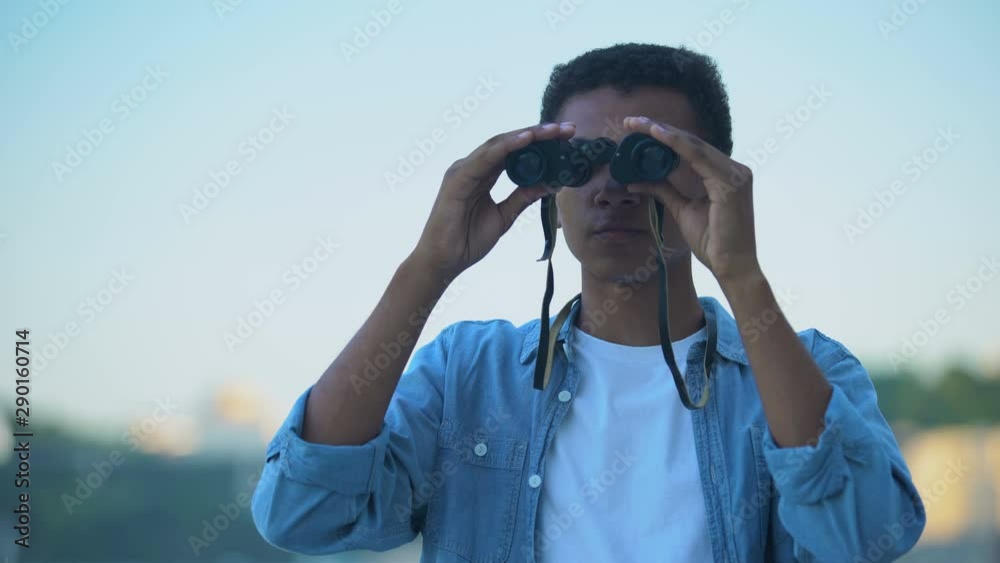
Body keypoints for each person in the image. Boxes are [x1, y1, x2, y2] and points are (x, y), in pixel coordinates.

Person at [250, 43, 925, 562]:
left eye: (645, 158)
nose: (611, 186)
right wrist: (429, 267)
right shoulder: (467, 373)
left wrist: (742, 274)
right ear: (550, 184)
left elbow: (865, 538)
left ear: (714, 174)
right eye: (580, 161)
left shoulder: (805, 371)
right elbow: (302, 511)